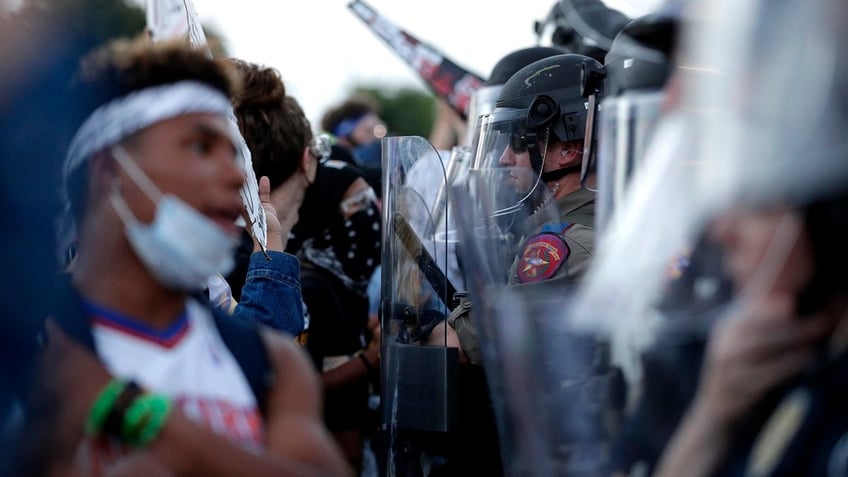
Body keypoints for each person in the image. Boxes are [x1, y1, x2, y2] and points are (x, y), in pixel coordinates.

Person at [41, 36, 350, 476]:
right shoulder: (30, 353)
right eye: (201, 147)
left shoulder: (270, 363)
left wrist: (147, 421)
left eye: (235, 152)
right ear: (109, 170)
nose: (235, 174)